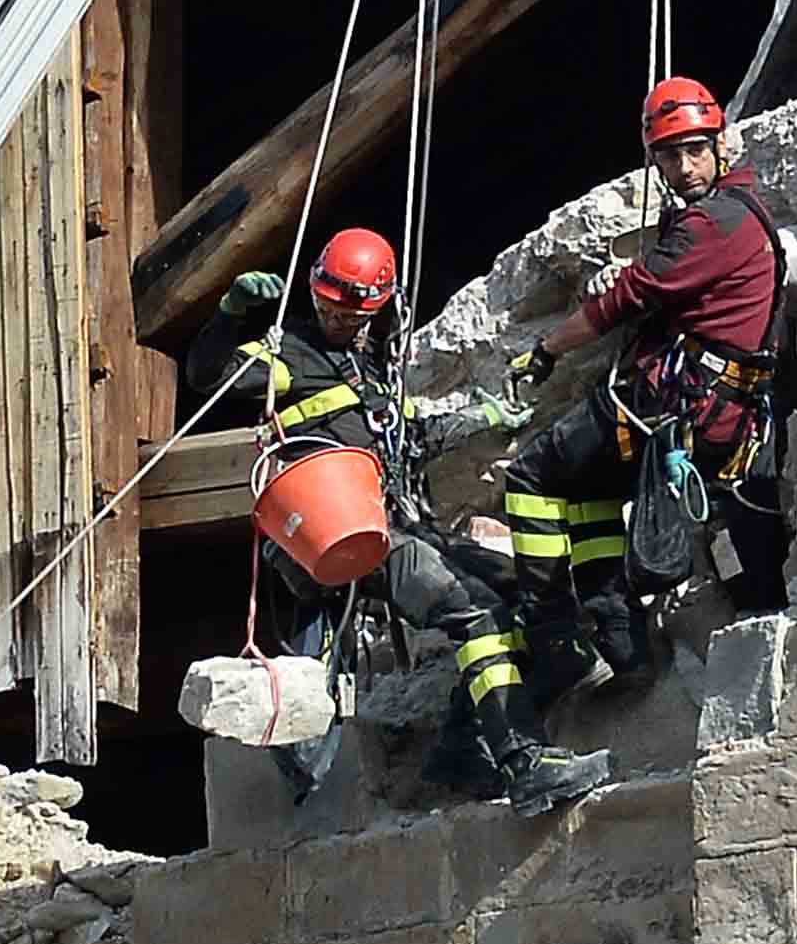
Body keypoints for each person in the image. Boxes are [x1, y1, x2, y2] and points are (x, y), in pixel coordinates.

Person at [192, 227, 609, 813]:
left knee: (528, 594)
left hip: (396, 527)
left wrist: (484, 419)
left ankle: (464, 749)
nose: (338, 321)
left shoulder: (373, 366)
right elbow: (210, 377)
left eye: (351, 314)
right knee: (473, 610)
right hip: (342, 533)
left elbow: (407, 439)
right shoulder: (290, 355)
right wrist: (230, 314)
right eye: (328, 309)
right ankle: (523, 762)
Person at [495, 77, 796, 702]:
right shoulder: (739, 210)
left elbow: (627, 297)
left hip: (675, 409)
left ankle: (554, 636)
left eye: (694, 151)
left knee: (532, 475)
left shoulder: (712, 224)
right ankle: (620, 640)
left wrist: (547, 350)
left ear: (720, 146)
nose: (683, 168)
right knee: (589, 489)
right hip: (709, 410)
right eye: (669, 155)